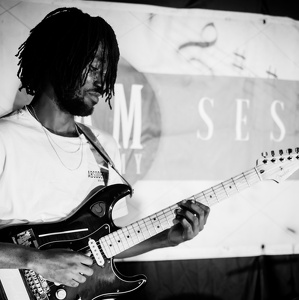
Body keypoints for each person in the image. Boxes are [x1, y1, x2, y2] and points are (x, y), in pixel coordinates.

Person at [0, 7, 210, 289]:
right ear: (58, 59)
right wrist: (34, 259)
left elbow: (101, 248)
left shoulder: (103, 148)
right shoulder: (6, 138)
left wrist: (166, 238)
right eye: (93, 65)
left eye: (106, 69)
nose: (101, 81)